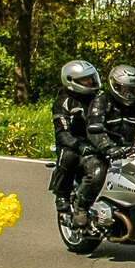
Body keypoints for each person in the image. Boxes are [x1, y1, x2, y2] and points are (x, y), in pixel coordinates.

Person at [79, 65, 135, 226]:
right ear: (115, 86)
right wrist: (108, 147)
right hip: (101, 151)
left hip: (131, 151)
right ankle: (81, 208)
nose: (130, 93)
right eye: (125, 89)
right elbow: (95, 129)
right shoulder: (101, 101)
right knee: (97, 173)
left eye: (133, 89)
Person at [50, 60, 101, 212]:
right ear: (71, 81)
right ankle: (62, 195)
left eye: (91, 78)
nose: (90, 82)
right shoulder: (64, 102)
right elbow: (62, 133)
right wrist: (78, 145)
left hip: (98, 143)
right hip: (74, 144)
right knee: (68, 155)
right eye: (85, 80)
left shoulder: (100, 99)